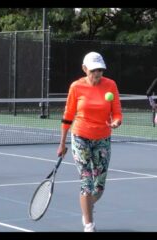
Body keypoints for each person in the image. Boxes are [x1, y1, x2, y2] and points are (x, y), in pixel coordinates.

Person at [57, 52, 123, 232]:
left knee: (99, 186)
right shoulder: (76, 87)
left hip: (103, 138)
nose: (97, 73)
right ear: (85, 69)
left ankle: (87, 206)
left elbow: (116, 112)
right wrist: (62, 142)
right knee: (87, 181)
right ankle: (89, 223)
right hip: (80, 137)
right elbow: (68, 115)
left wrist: (116, 121)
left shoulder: (111, 85)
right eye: (94, 70)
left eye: (100, 70)